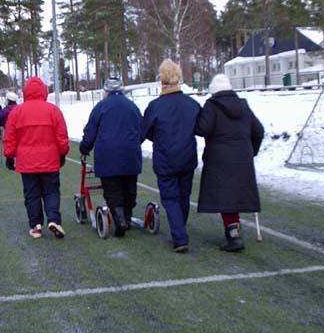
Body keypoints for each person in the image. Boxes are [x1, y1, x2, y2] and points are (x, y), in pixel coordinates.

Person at [195, 74, 264, 252]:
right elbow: (259, 130)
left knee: (225, 196)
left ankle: (233, 233)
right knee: (235, 194)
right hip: (242, 156)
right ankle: (234, 229)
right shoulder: (243, 105)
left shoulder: (212, 105)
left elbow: (202, 129)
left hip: (219, 158)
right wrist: (251, 151)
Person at [141, 59, 201, 253]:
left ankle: (179, 236)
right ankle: (180, 229)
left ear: (162, 79)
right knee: (183, 197)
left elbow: (144, 132)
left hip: (166, 158)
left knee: (171, 199)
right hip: (187, 157)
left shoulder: (155, 106)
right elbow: (201, 128)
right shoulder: (192, 104)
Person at [3, 76, 69, 239]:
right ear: (44, 92)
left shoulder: (17, 112)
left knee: (32, 194)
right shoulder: (53, 110)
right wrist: (62, 153)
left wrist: (9, 155)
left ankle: (36, 225)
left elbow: (9, 137)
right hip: (50, 159)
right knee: (51, 191)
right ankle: (53, 219)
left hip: (27, 162)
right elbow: (62, 136)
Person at [79, 77, 142, 237]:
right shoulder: (132, 106)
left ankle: (119, 220)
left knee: (112, 189)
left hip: (108, 154)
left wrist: (85, 148)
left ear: (106, 91)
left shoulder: (101, 106)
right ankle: (126, 218)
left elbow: (90, 131)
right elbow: (142, 129)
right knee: (129, 187)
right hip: (130, 153)